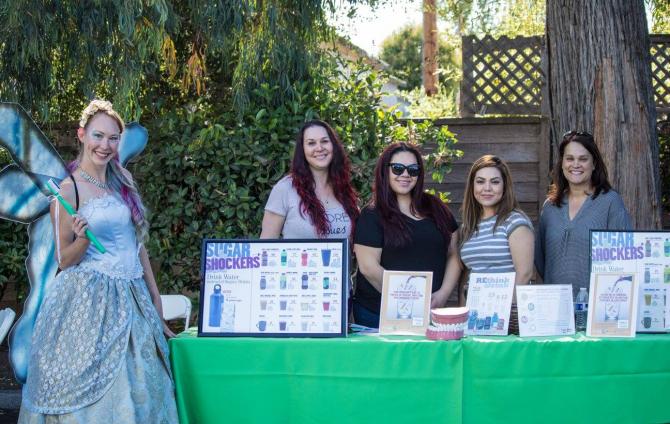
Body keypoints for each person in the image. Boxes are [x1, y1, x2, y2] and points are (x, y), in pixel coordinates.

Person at [19, 100, 178, 423]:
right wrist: (80, 238)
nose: (105, 146)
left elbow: (138, 248)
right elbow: (65, 261)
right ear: (81, 135)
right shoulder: (69, 189)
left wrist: (155, 299)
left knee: (144, 386)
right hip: (88, 302)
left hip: (132, 296)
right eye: (98, 136)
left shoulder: (123, 182)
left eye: (113, 138)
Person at [353, 142, 458, 328]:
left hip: (431, 314)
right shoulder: (372, 215)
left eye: (413, 170)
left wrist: (444, 293)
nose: (405, 175)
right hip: (378, 316)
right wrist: (410, 301)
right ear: (385, 171)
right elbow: (368, 267)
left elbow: (454, 253)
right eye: (398, 169)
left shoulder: (436, 207)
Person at [535, 131, 632, 295]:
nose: (576, 164)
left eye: (583, 159)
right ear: (562, 163)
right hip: (554, 308)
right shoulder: (550, 207)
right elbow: (541, 259)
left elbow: (624, 259)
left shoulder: (610, 202)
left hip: (597, 309)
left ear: (594, 164)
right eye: (570, 158)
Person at [431, 155, 535, 308]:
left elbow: (525, 274)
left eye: (495, 182)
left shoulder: (515, 222)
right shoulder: (468, 227)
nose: (487, 188)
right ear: (472, 186)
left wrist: (504, 313)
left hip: (505, 317)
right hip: (475, 317)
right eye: (480, 182)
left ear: (505, 186)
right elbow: (465, 273)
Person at [260, 119, 359, 239]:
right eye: (311, 143)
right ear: (303, 150)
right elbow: (266, 245)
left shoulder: (343, 188)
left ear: (333, 145)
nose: (319, 148)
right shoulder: (284, 189)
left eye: (325, 141)